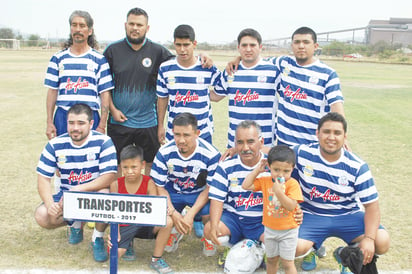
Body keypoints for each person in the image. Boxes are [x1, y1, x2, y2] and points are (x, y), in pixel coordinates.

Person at [293, 112, 390, 273]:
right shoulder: (301, 153)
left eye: (337, 133)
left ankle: (344, 255)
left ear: (345, 137)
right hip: (312, 214)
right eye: (326, 132)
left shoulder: (357, 166)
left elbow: (372, 207)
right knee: (293, 247)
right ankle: (313, 249)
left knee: (381, 241)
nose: (331, 137)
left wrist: (369, 239)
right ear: (317, 133)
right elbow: (275, 156)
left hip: (347, 215)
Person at [34, 103, 118, 262]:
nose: (75, 128)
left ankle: (97, 237)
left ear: (91, 124)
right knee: (42, 215)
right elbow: (43, 178)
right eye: (71, 123)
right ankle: (75, 225)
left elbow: (109, 177)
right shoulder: (55, 144)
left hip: (94, 195)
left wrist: (77, 189)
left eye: (81, 123)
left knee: (106, 196)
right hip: (68, 197)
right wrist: (50, 203)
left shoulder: (104, 142)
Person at [103, 7, 173, 177]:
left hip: (148, 122)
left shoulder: (158, 52)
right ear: (125, 25)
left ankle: (147, 200)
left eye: (139, 25)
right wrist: (113, 109)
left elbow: (182, 63)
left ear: (147, 28)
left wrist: (202, 55)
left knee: (150, 163)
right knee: (119, 164)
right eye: (132, 24)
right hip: (119, 121)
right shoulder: (112, 51)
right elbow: (103, 86)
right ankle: (119, 200)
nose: (135, 28)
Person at [150, 113, 221, 256]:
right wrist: (173, 213)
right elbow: (159, 186)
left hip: (199, 193)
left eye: (186, 135)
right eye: (177, 134)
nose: (181, 140)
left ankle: (207, 237)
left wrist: (191, 214)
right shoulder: (164, 152)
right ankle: (175, 231)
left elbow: (210, 188)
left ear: (197, 134)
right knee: (162, 215)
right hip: (173, 192)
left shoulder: (211, 154)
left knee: (212, 206)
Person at [204, 120, 270, 268]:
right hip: (234, 219)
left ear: (261, 142)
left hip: (262, 221)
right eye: (240, 142)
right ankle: (233, 248)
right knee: (209, 229)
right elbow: (217, 199)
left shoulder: (271, 167)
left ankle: (261, 250)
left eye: (250, 142)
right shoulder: (226, 166)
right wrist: (214, 225)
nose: (245, 148)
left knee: (278, 241)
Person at [44, 10, 113, 140]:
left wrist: (102, 125)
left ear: (90, 30)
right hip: (64, 116)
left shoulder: (99, 59)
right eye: (74, 25)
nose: (78, 29)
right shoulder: (58, 59)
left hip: (90, 116)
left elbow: (105, 94)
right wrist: (49, 122)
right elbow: (52, 91)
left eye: (82, 26)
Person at [108, 144, 173, 274]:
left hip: (144, 222)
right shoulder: (115, 185)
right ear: (120, 166)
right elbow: (113, 213)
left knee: (168, 221)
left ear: (143, 165)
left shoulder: (149, 182)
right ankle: (128, 243)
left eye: (134, 167)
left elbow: (154, 208)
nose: (130, 171)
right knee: (115, 253)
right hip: (125, 224)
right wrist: (115, 232)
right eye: (125, 167)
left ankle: (156, 259)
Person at [211, 28, 279, 150]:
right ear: (238, 48)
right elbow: (216, 96)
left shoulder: (273, 71)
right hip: (235, 144)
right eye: (244, 45)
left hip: (264, 144)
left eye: (252, 45)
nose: (248, 49)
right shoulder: (230, 71)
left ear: (260, 47)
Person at [157, 24, 224, 144]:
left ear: (194, 44)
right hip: (176, 132)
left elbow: (222, 89)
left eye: (186, 45)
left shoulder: (206, 66)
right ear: (174, 44)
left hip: (202, 132)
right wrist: (160, 125)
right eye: (178, 45)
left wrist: (203, 95)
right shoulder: (165, 68)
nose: (182, 49)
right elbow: (162, 98)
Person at [242, 145, 303, 274]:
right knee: (271, 260)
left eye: (286, 171)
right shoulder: (265, 181)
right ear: (269, 167)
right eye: (276, 169)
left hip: (288, 231)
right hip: (270, 229)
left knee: (287, 263)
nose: (281, 174)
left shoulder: (292, 184)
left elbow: (291, 206)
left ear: (292, 169)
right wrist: (257, 170)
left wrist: (279, 192)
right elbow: (246, 185)